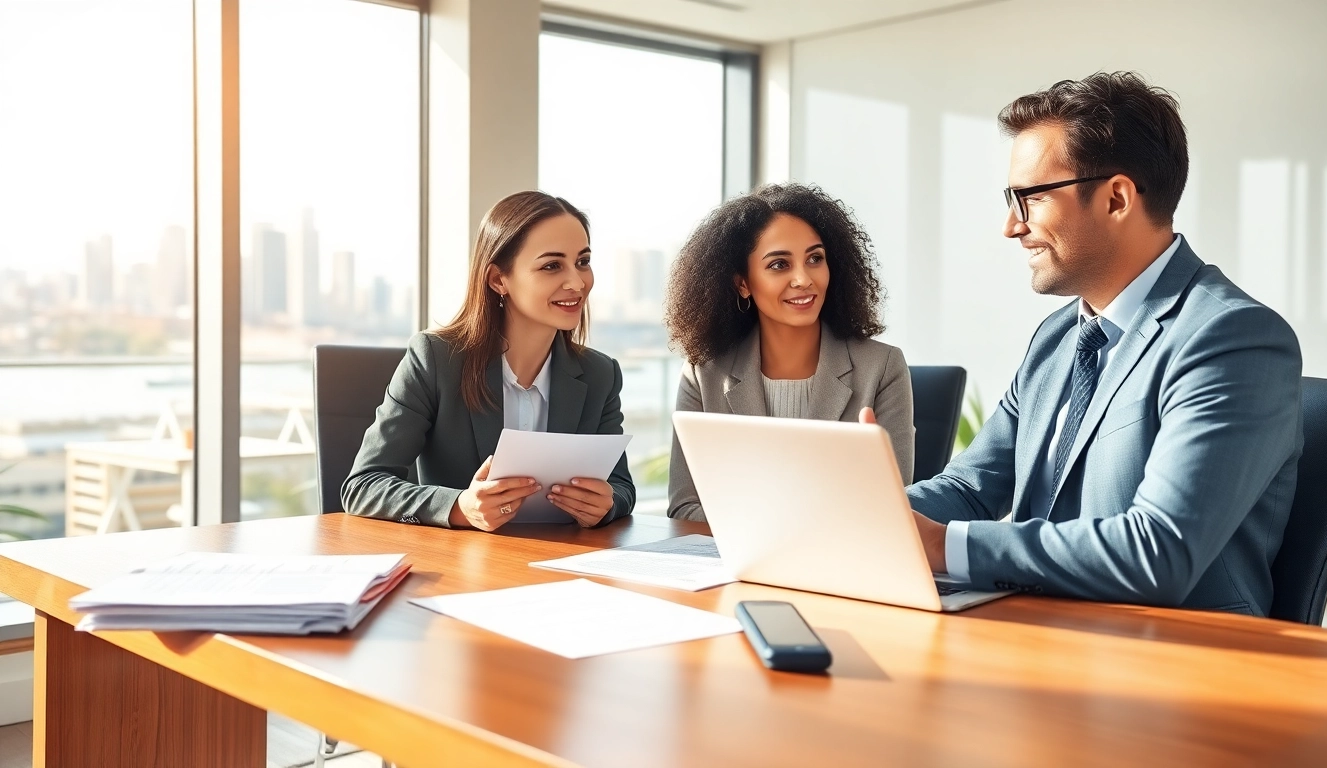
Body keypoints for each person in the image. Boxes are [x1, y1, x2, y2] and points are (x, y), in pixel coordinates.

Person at [880, 72, 1302, 615]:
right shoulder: (1059, 337)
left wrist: (941, 546)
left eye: (1028, 197)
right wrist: (869, 516)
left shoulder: (1232, 339)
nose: (1012, 226)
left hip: (1179, 666)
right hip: (1044, 636)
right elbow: (970, 487)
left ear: (1117, 198)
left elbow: (1158, 552)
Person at [342, 191, 635, 531]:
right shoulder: (436, 359)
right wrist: (457, 507)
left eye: (582, 262)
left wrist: (607, 503)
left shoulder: (601, 374)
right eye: (552, 265)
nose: (577, 282)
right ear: (499, 279)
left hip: (562, 564)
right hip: (464, 568)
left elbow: (622, 487)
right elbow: (362, 487)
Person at [666, 183, 915, 522]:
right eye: (780, 265)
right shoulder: (703, 374)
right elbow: (684, 508)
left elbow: (892, 506)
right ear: (743, 283)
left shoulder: (883, 368)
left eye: (815, 259)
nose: (803, 279)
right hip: (736, 567)